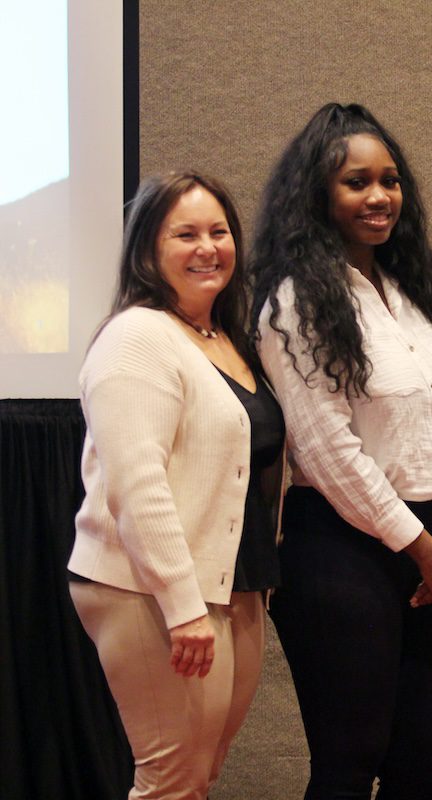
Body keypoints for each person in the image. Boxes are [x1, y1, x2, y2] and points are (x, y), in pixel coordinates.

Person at [250, 103, 432, 800]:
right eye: (356, 183)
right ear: (319, 194)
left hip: (430, 543)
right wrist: (424, 553)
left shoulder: (414, 296)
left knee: (426, 755)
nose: (379, 197)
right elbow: (325, 449)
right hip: (337, 549)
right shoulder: (295, 302)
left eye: (390, 180)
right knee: (352, 757)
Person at [69, 171, 283, 800]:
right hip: (152, 592)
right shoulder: (137, 337)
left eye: (219, 231)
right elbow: (138, 486)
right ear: (147, 251)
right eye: (185, 234)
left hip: (234, 584)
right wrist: (182, 605)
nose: (207, 247)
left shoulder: (224, 339)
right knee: (170, 781)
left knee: (200, 772)